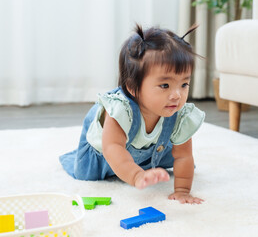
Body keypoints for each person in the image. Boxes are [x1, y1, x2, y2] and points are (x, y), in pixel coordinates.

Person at [59, 24, 205, 204]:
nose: (177, 95)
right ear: (132, 87)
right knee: (87, 174)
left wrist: (183, 190)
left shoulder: (178, 114)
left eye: (184, 84)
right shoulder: (121, 109)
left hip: (148, 150)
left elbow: (183, 155)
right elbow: (113, 148)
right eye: (165, 85)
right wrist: (136, 176)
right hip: (104, 153)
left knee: (172, 160)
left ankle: (142, 163)